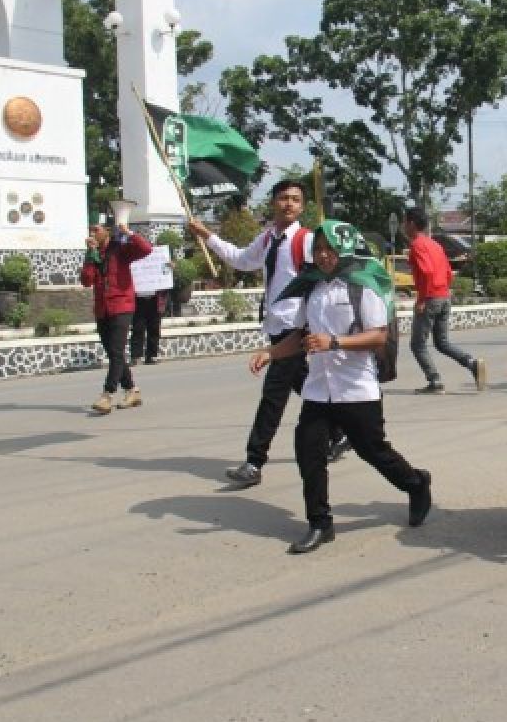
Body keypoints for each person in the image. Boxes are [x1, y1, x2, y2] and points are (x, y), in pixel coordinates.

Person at [249, 220, 432, 554]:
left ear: (344, 248)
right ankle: (320, 522)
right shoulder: (313, 289)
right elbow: (300, 336)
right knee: (308, 451)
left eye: (328, 249)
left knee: (373, 451)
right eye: (317, 249)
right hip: (319, 389)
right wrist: (270, 352)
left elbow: (378, 335)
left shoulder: (363, 285)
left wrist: (334, 342)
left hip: (356, 387)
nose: (322, 256)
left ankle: (416, 484)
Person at [188, 180, 349, 490]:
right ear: (273, 203)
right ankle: (342, 431)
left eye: (295, 200)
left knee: (273, 397)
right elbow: (241, 259)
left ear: (302, 207)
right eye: (283, 198)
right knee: (305, 384)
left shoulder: (305, 240)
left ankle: (254, 461)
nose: (289, 204)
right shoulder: (268, 239)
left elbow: (327, 276)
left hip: (296, 326)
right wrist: (208, 236)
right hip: (278, 325)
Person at [403, 206, 487, 394]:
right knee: (442, 343)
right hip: (443, 296)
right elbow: (448, 273)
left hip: (430, 298)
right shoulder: (435, 245)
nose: (402, 226)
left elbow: (427, 272)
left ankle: (435, 381)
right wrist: (442, 291)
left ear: (411, 223)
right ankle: (472, 364)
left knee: (417, 344)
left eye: (404, 222)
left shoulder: (417, 245)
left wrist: (422, 299)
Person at [81, 212, 153, 414]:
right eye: (91, 230)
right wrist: (89, 255)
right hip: (102, 309)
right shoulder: (94, 254)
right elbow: (86, 281)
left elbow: (146, 249)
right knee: (115, 353)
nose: (93, 233)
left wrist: (129, 233)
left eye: (96, 229)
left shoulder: (120, 248)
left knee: (115, 351)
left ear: (107, 231)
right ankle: (132, 390)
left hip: (122, 306)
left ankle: (107, 395)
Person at [129, 288, 168, 365]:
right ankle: (136, 357)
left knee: (154, 328)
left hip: (155, 298)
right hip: (138, 298)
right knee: (138, 328)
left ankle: (152, 356)